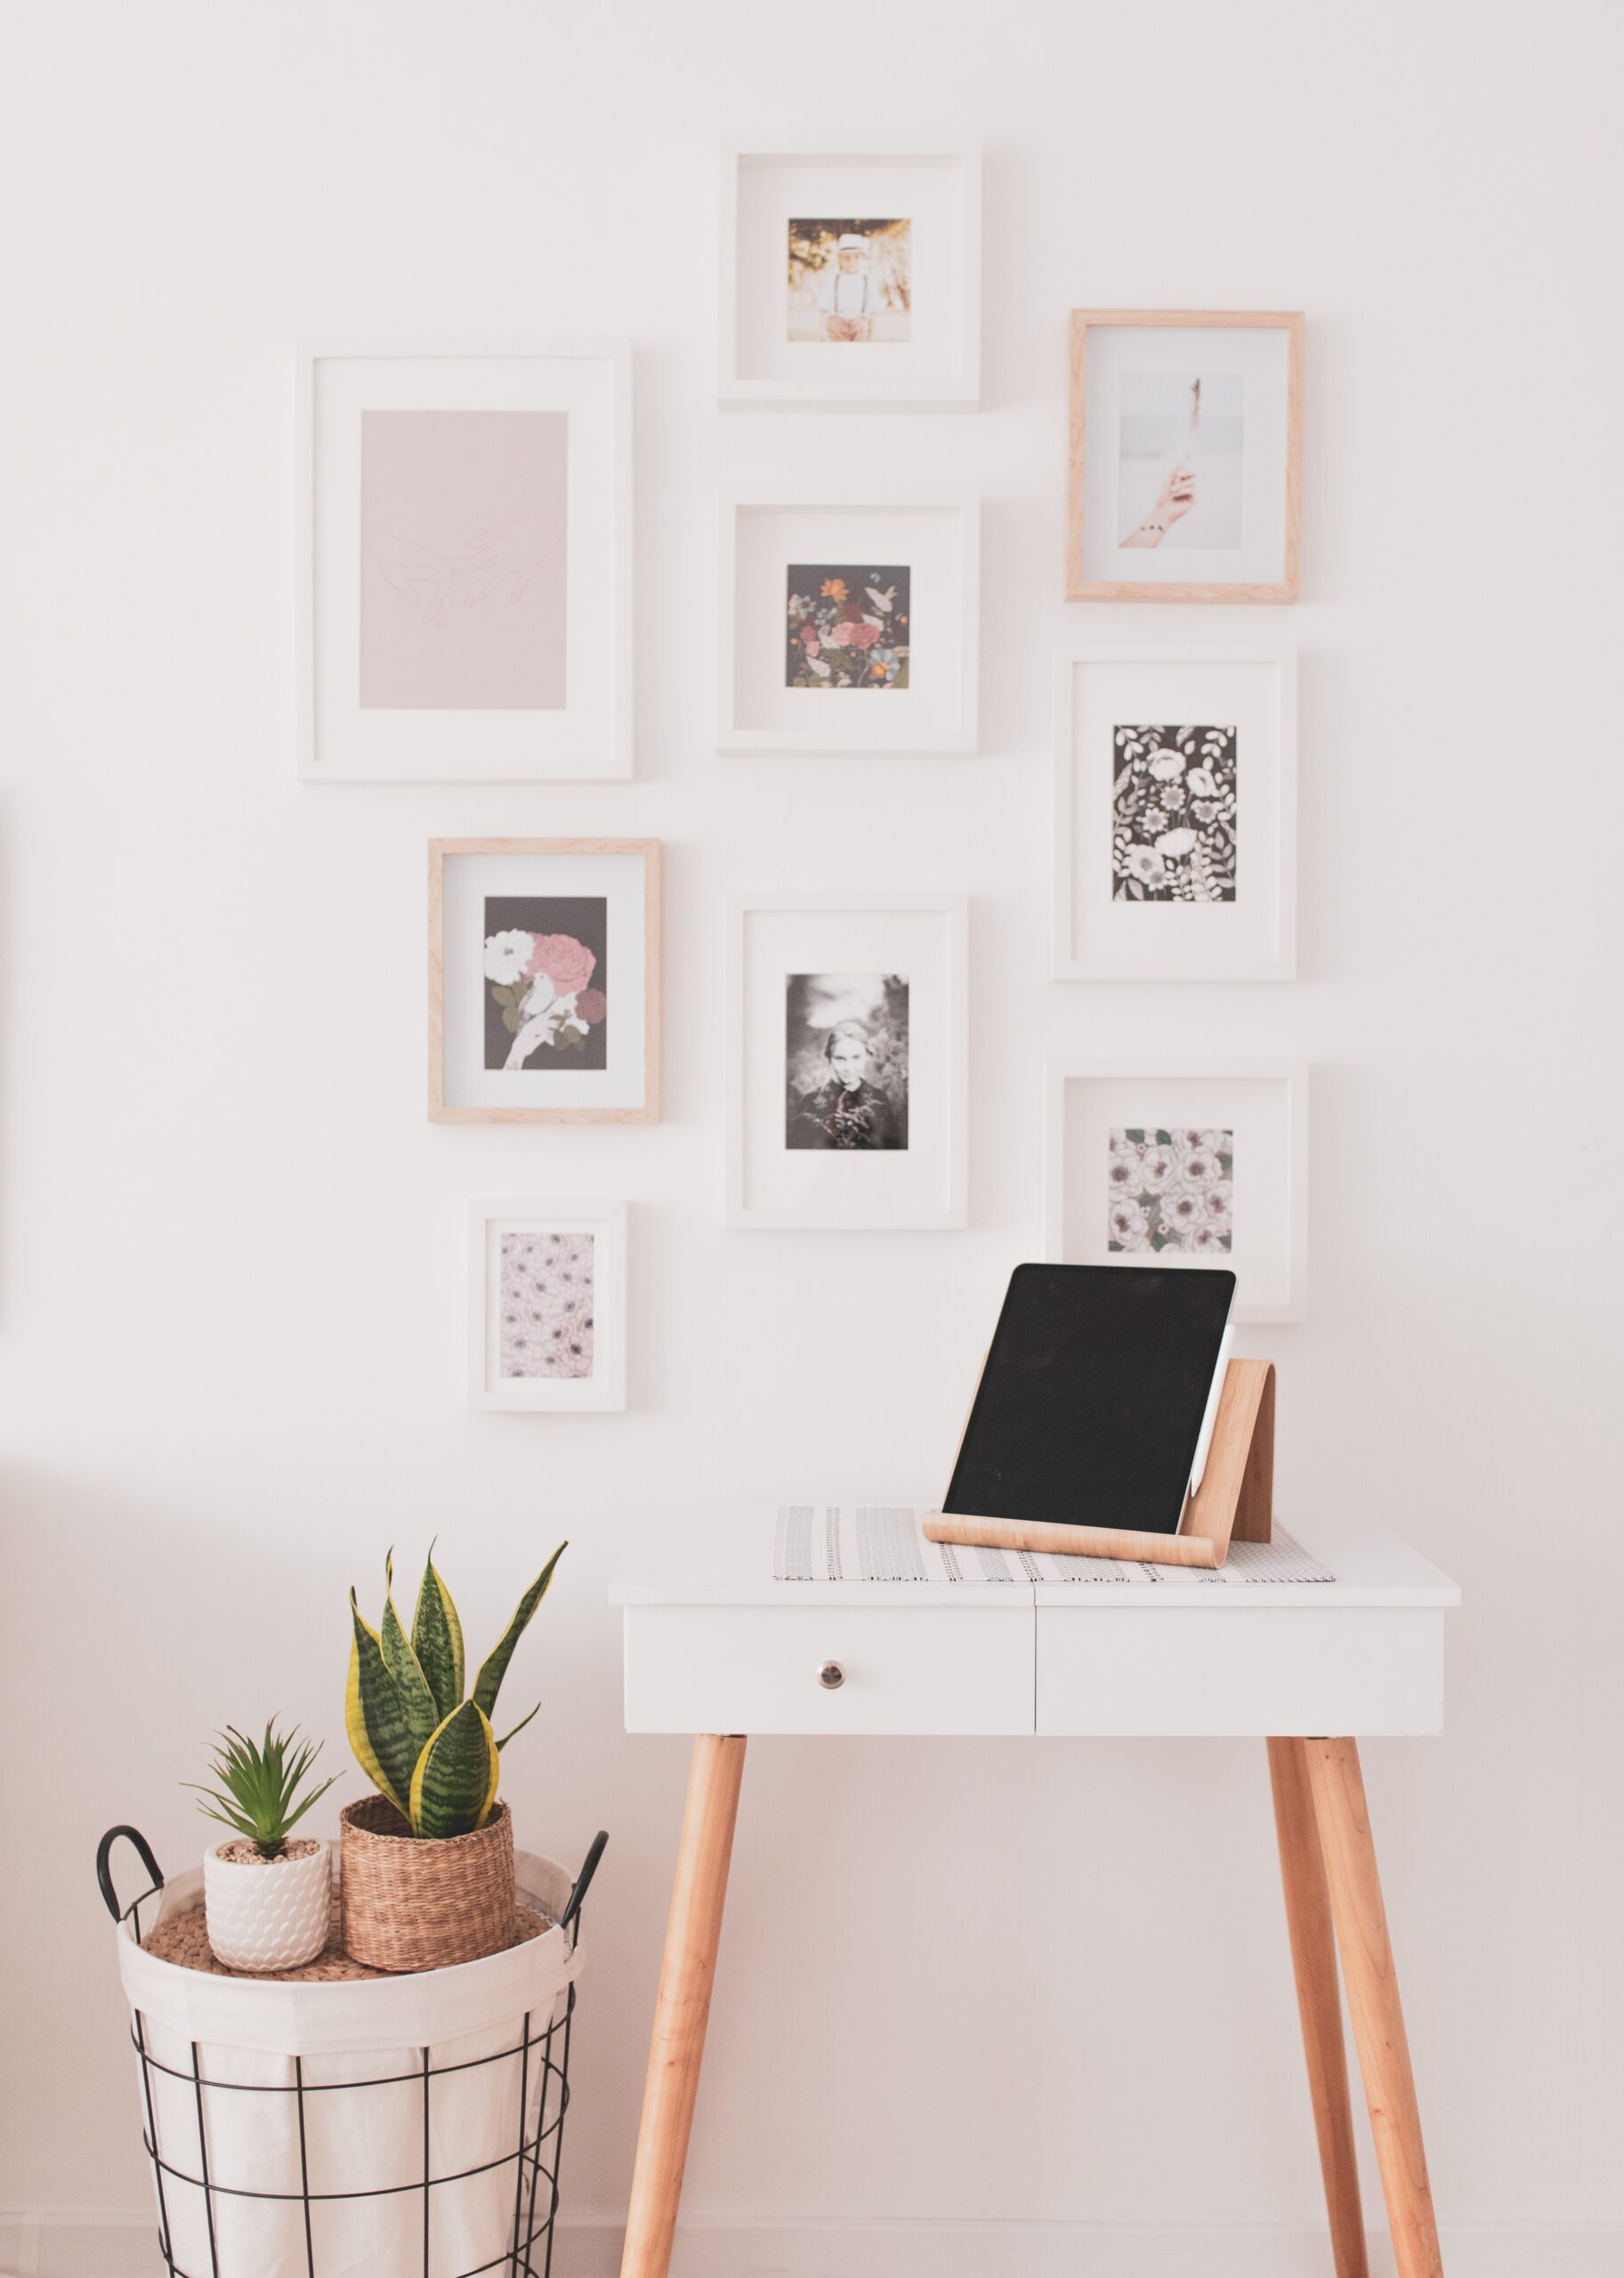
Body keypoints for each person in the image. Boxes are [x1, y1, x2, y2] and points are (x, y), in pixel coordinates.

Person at [788, 1021, 901, 1149]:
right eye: (840, 1058)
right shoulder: (810, 1102)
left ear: (867, 1056)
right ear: (829, 1057)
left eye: (856, 1058)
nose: (848, 1068)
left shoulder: (879, 1098)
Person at [817, 233, 877, 343]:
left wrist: (872, 337)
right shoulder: (832, 280)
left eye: (856, 257)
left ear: (863, 258)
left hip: (860, 326)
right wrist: (823, 334)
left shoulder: (868, 280)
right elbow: (824, 309)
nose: (851, 262)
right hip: (836, 327)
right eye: (847, 258)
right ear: (840, 258)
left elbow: (874, 311)